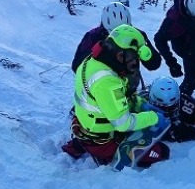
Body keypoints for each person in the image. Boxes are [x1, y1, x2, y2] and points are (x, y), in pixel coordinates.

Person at [63, 24, 172, 169]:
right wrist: (153, 117)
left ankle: (79, 144)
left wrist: (140, 103)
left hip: (87, 122)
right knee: (161, 151)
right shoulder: (107, 82)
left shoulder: (92, 60)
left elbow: (117, 95)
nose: (135, 63)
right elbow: (124, 123)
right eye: (133, 58)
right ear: (120, 55)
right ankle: (105, 156)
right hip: (102, 139)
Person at [71, 1, 161, 73]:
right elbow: (76, 66)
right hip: (101, 81)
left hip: (128, 80)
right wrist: (99, 52)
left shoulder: (136, 35)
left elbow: (154, 64)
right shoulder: (94, 36)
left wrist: (146, 51)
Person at [146, 77, 195, 143]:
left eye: (171, 107)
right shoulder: (142, 105)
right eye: (161, 107)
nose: (167, 111)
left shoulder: (187, 105)